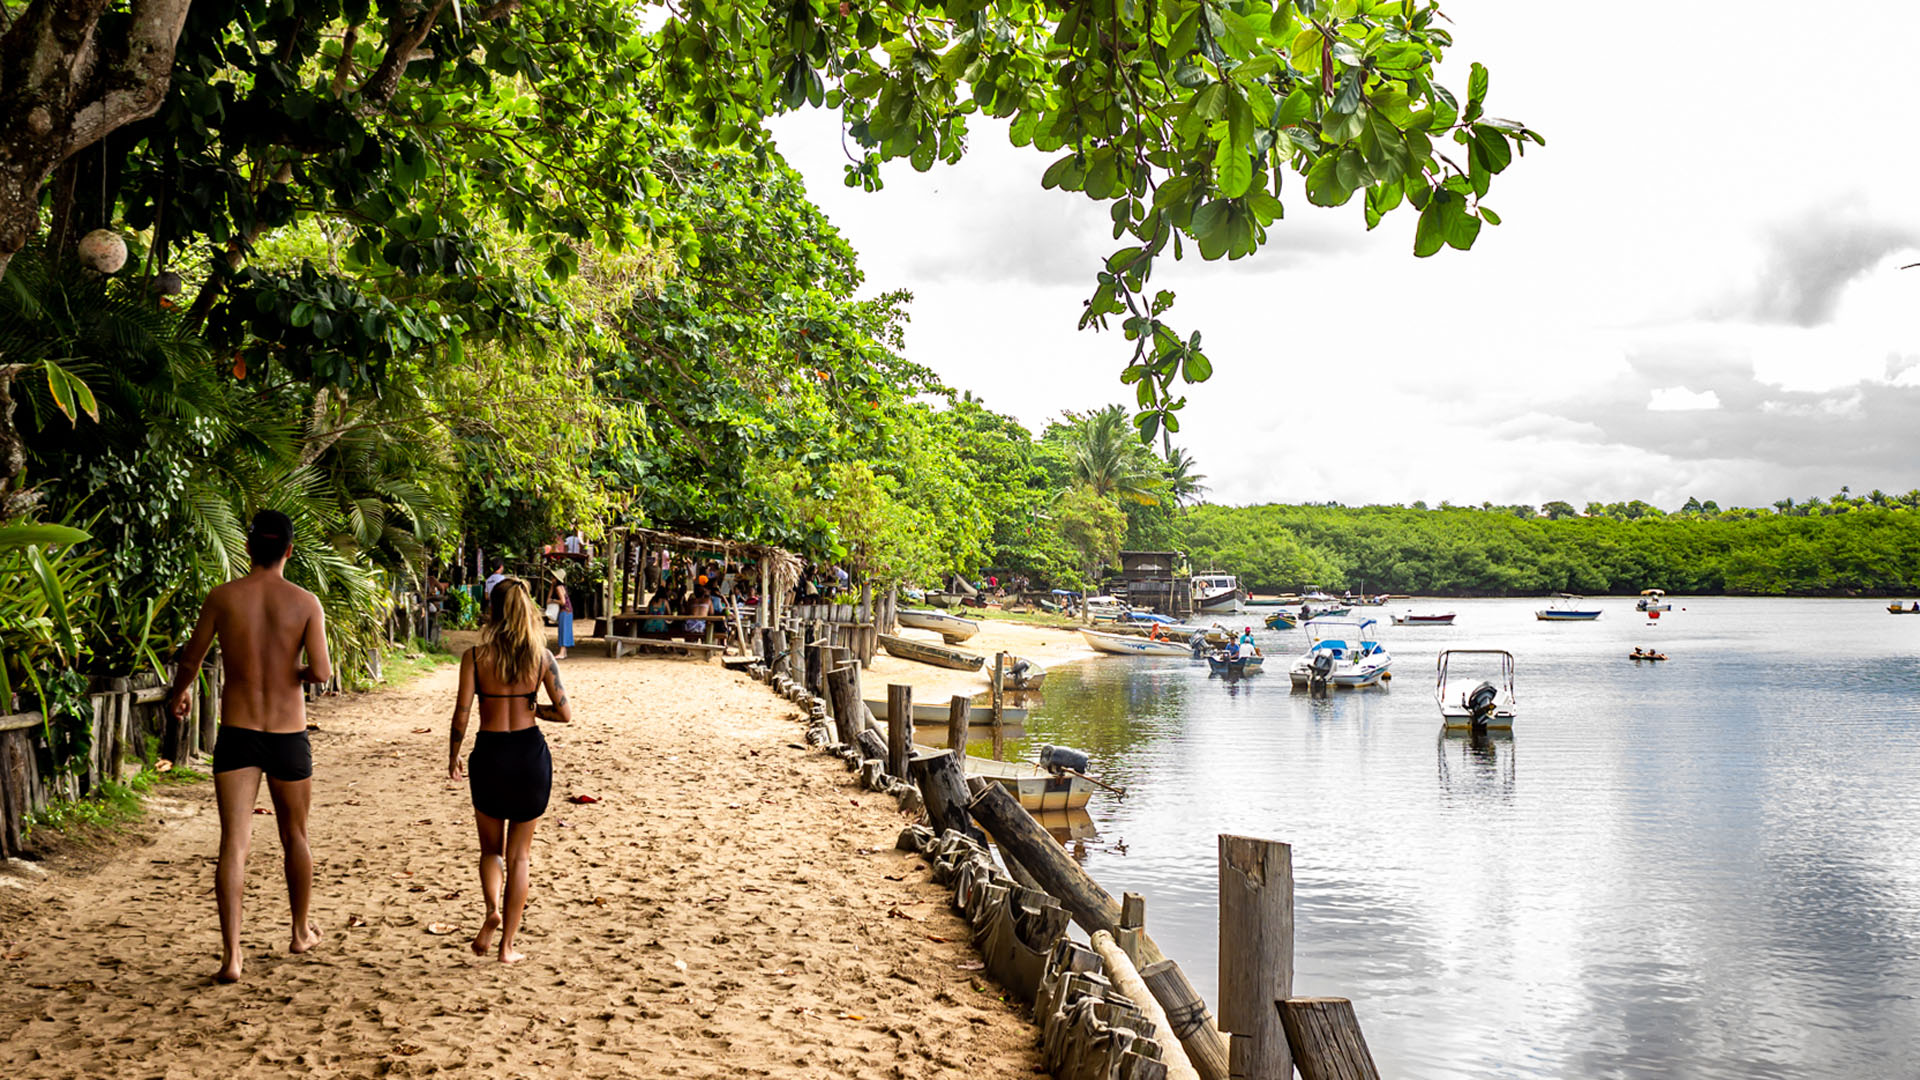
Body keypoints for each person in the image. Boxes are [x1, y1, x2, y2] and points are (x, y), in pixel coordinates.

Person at [165, 510, 333, 983]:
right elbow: (320, 672)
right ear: (289, 551)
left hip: (237, 732)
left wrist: (182, 691)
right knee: (295, 837)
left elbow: (191, 658)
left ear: (247, 548)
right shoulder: (305, 603)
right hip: (287, 733)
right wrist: (293, 673)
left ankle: (232, 957)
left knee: (233, 843)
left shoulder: (223, 598)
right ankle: (300, 931)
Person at [448, 580, 572, 964]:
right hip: (529, 757)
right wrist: (536, 711)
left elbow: (462, 714)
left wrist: (452, 755)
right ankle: (507, 947)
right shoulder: (541, 658)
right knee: (520, 856)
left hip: (489, 755)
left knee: (491, 851)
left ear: (494, 610)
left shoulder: (475, 656)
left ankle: (490, 910)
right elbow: (565, 713)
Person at [551, 575, 573, 661]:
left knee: (563, 630)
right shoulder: (562, 586)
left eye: (552, 578)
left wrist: (553, 601)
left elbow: (563, 602)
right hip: (568, 611)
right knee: (565, 630)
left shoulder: (558, 588)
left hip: (565, 610)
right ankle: (564, 652)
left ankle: (562, 652)